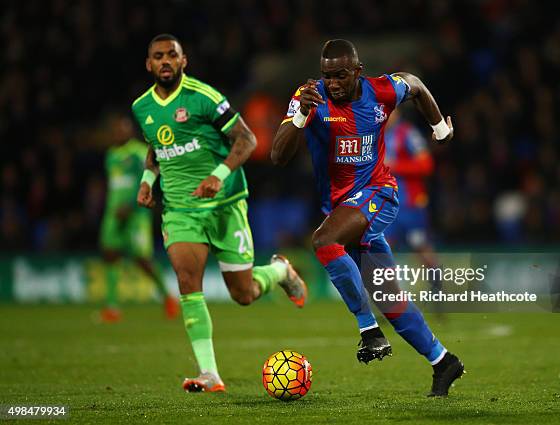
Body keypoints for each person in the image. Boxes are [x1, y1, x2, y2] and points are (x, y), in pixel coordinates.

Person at [271, 39, 463, 397]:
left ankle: (368, 331)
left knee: (324, 240)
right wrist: (299, 116)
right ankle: (443, 361)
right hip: (344, 209)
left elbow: (417, 85)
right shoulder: (309, 96)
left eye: (340, 76)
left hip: (380, 193)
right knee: (391, 300)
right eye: (327, 76)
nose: (333, 83)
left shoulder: (382, 90)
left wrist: (440, 129)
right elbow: (278, 156)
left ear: (357, 71)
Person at [132, 34, 307, 393]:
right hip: (181, 209)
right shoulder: (141, 107)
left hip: (226, 203)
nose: (165, 61)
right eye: (158, 56)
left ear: (184, 61)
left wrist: (218, 175)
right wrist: (148, 180)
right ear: (149, 64)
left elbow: (247, 140)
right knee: (186, 282)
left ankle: (279, 271)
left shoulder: (204, 97)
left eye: (172, 55)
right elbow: (156, 146)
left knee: (243, 294)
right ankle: (209, 373)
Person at [99, 113, 179, 322]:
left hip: (136, 213)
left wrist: (131, 204)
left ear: (130, 130)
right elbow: (114, 185)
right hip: (113, 213)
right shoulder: (110, 155)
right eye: (115, 129)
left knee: (141, 258)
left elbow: (148, 178)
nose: (119, 132)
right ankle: (112, 306)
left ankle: (167, 296)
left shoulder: (138, 152)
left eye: (123, 128)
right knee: (110, 253)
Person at [384, 110, 442, 296]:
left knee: (421, 248)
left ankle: (437, 292)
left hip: (410, 205)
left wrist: (394, 165)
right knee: (383, 249)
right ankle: (387, 298)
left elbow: (426, 165)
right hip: (386, 204)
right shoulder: (376, 135)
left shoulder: (408, 133)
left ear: (397, 112)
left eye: (389, 111)